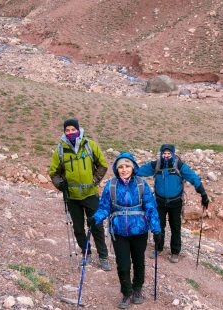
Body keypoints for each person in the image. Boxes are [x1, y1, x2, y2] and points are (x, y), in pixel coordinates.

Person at [87, 152, 161, 309]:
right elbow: (104, 206)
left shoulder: (141, 184)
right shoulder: (111, 185)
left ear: (133, 167)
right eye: (120, 166)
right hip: (119, 232)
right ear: (116, 168)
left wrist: (156, 229)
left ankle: (138, 289)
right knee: (122, 264)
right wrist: (95, 218)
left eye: (127, 166)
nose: (124, 169)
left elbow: (151, 208)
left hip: (140, 231)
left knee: (139, 262)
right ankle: (127, 293)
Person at [49, 118, 111, 271]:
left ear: (78, 130)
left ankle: (103, 256)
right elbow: (53, 172)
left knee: (97, 226)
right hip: (72, 197)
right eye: (67, 130)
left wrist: (94, 180)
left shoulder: (89, 145)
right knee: (78, 228)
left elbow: (102, 164)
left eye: (72, 129)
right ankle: (86, 254)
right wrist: (59, 184)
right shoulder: (61, 150)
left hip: (90, 194)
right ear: (64, 132)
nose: (70, 132)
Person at [138, 144, 210, 263]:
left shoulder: (179, 165)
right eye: (164, 153)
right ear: (161, 154)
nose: (166, 156)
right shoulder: (156, 165)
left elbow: (193, 178)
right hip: (159, 201)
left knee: (175, 227)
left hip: (176, 202)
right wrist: (127, 172)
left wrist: (203, 194)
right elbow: (139, 171)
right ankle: (158, 248)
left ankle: (175, 252)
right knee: (158, 226)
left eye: (168, 153)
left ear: (172, 154)